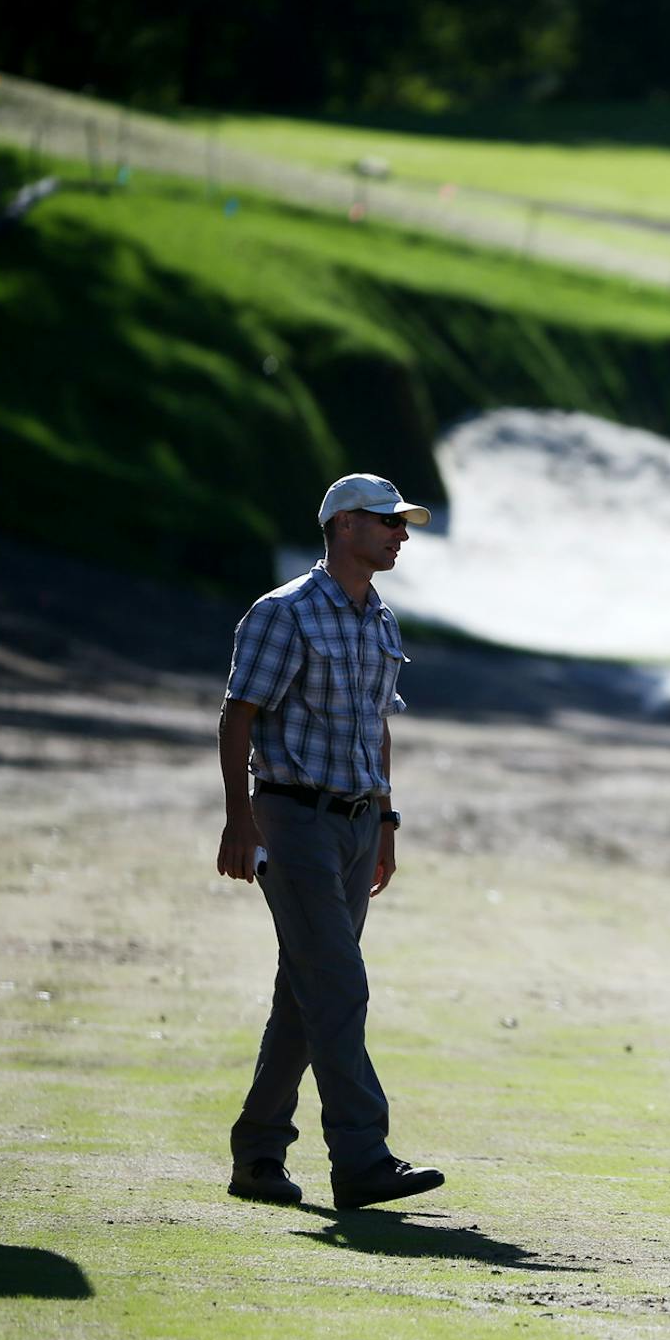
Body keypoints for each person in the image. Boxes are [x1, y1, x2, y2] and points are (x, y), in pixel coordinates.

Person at [215, 473, 445, 1212]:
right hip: (290, 818)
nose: (399, 534)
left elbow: (376, 724)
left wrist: (384, 817)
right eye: (386, 522)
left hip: (353, 824)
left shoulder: (379, 617)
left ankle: (257, 1156)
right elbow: (237, 716)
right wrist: (238, 818)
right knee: (339, 985)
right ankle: (362, 1157)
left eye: (402, 524)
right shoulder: (284, 612)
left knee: (307, 992)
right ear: (343, 525)